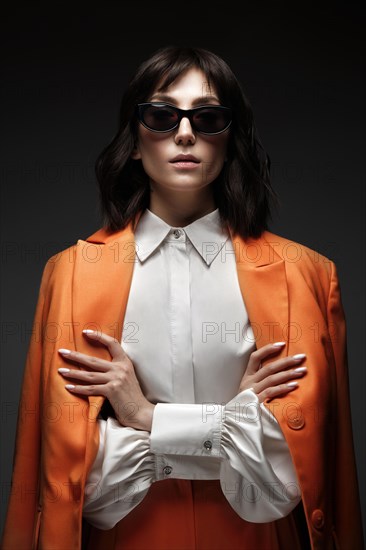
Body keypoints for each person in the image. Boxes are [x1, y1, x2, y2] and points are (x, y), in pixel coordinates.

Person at [1, 45, 364, 550]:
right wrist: (233, 422)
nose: (185, 133)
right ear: (134, 139)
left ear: (229, 138)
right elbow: (71, 474)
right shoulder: (69, 273)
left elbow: (288, 469)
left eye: (208, 116)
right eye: (161, 115)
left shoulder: (305, 275)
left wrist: (144, 416)